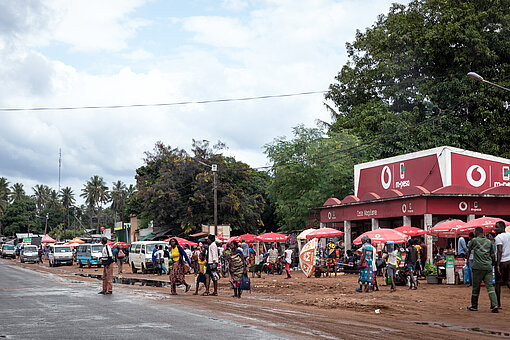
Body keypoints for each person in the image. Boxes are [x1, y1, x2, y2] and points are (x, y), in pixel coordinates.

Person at [467, 227, 498, 313]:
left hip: (477, 267)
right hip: (488, 267)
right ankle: (494, 304)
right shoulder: (489, 242)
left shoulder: (474, 241)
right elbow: (492, 255)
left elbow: (469, 251)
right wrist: (492, 264)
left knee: (476, 287)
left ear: (476, 232)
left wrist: (467, 261)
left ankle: (474, 306)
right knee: (490, 286)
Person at [495, 221, 510, 309]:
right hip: (509, 260)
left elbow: (499, 251)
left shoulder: (498, 237)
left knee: (498, 283)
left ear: (502, 227)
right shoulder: (509, 235)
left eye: (496, 227)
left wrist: (497, 265)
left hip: (502, 262)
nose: (495, 229)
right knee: (508, 281)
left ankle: (498, 303)